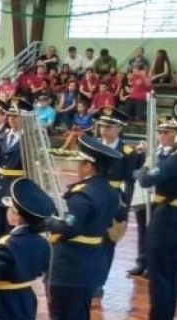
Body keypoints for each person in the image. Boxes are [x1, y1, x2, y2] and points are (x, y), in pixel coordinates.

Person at [134, 103, 177, 320]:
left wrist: (147, 163)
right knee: (170, 275)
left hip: (166, 221)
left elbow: (147, 180)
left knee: (160, 277)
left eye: (170, 131)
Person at [43, 136, 122, 320]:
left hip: (69, 268)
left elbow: (69, 227)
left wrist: (45, 221)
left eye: (79, 162)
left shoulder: (83, 195)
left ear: (88, 166)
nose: (76, 166)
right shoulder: (110, 190)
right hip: (90, 264)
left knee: (63, 314)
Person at [0, 178, 54, 320]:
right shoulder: (43, 243)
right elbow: (41, 270)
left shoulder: (7, 244)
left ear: (16, 216)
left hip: (2, 304)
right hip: (26, 299)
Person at [93, 107, 142, 298]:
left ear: (119, 129)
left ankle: (99, 282)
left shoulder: (127, 152)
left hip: (114, 201)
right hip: (93, 199)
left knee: (107, 244)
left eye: (109, 126)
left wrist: (124, 209)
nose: (104, 129)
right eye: (102, 125)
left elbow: (130, 183)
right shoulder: (94, 146)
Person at [127, 118, 177, 278]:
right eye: (160, 132)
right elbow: (136, 171)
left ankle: (153, 264)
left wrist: (146, 168)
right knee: (143, 229)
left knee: (157, 235)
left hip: (163, 200)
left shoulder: (176, 155)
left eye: (167, 132)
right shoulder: (152, 151)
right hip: (146, 196)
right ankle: (142, 261)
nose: (162, 136)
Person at [0, 99, 31, 238]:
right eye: (10, 116)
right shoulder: (2, 137)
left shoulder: (28, 140)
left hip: (15, 187)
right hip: (0, 188)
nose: (12, 119)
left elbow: (30, 166)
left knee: (12, 227)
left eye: (15, 116)